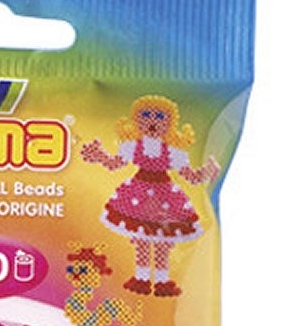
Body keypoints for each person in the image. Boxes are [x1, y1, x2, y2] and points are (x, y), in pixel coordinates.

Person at [81, 95, 219, 297]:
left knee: (162, 242)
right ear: (137, 120)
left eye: (160, 117)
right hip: (138, 196)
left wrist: (206, 172)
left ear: (170, 123)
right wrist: (99, 155)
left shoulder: (173, 152)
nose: (153, 121)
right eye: (146, 115)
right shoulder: (132, 147)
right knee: (142, 240)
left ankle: (162, 280)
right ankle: (142, 278)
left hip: (164, 198)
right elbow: (115, 163)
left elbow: (189, 175)